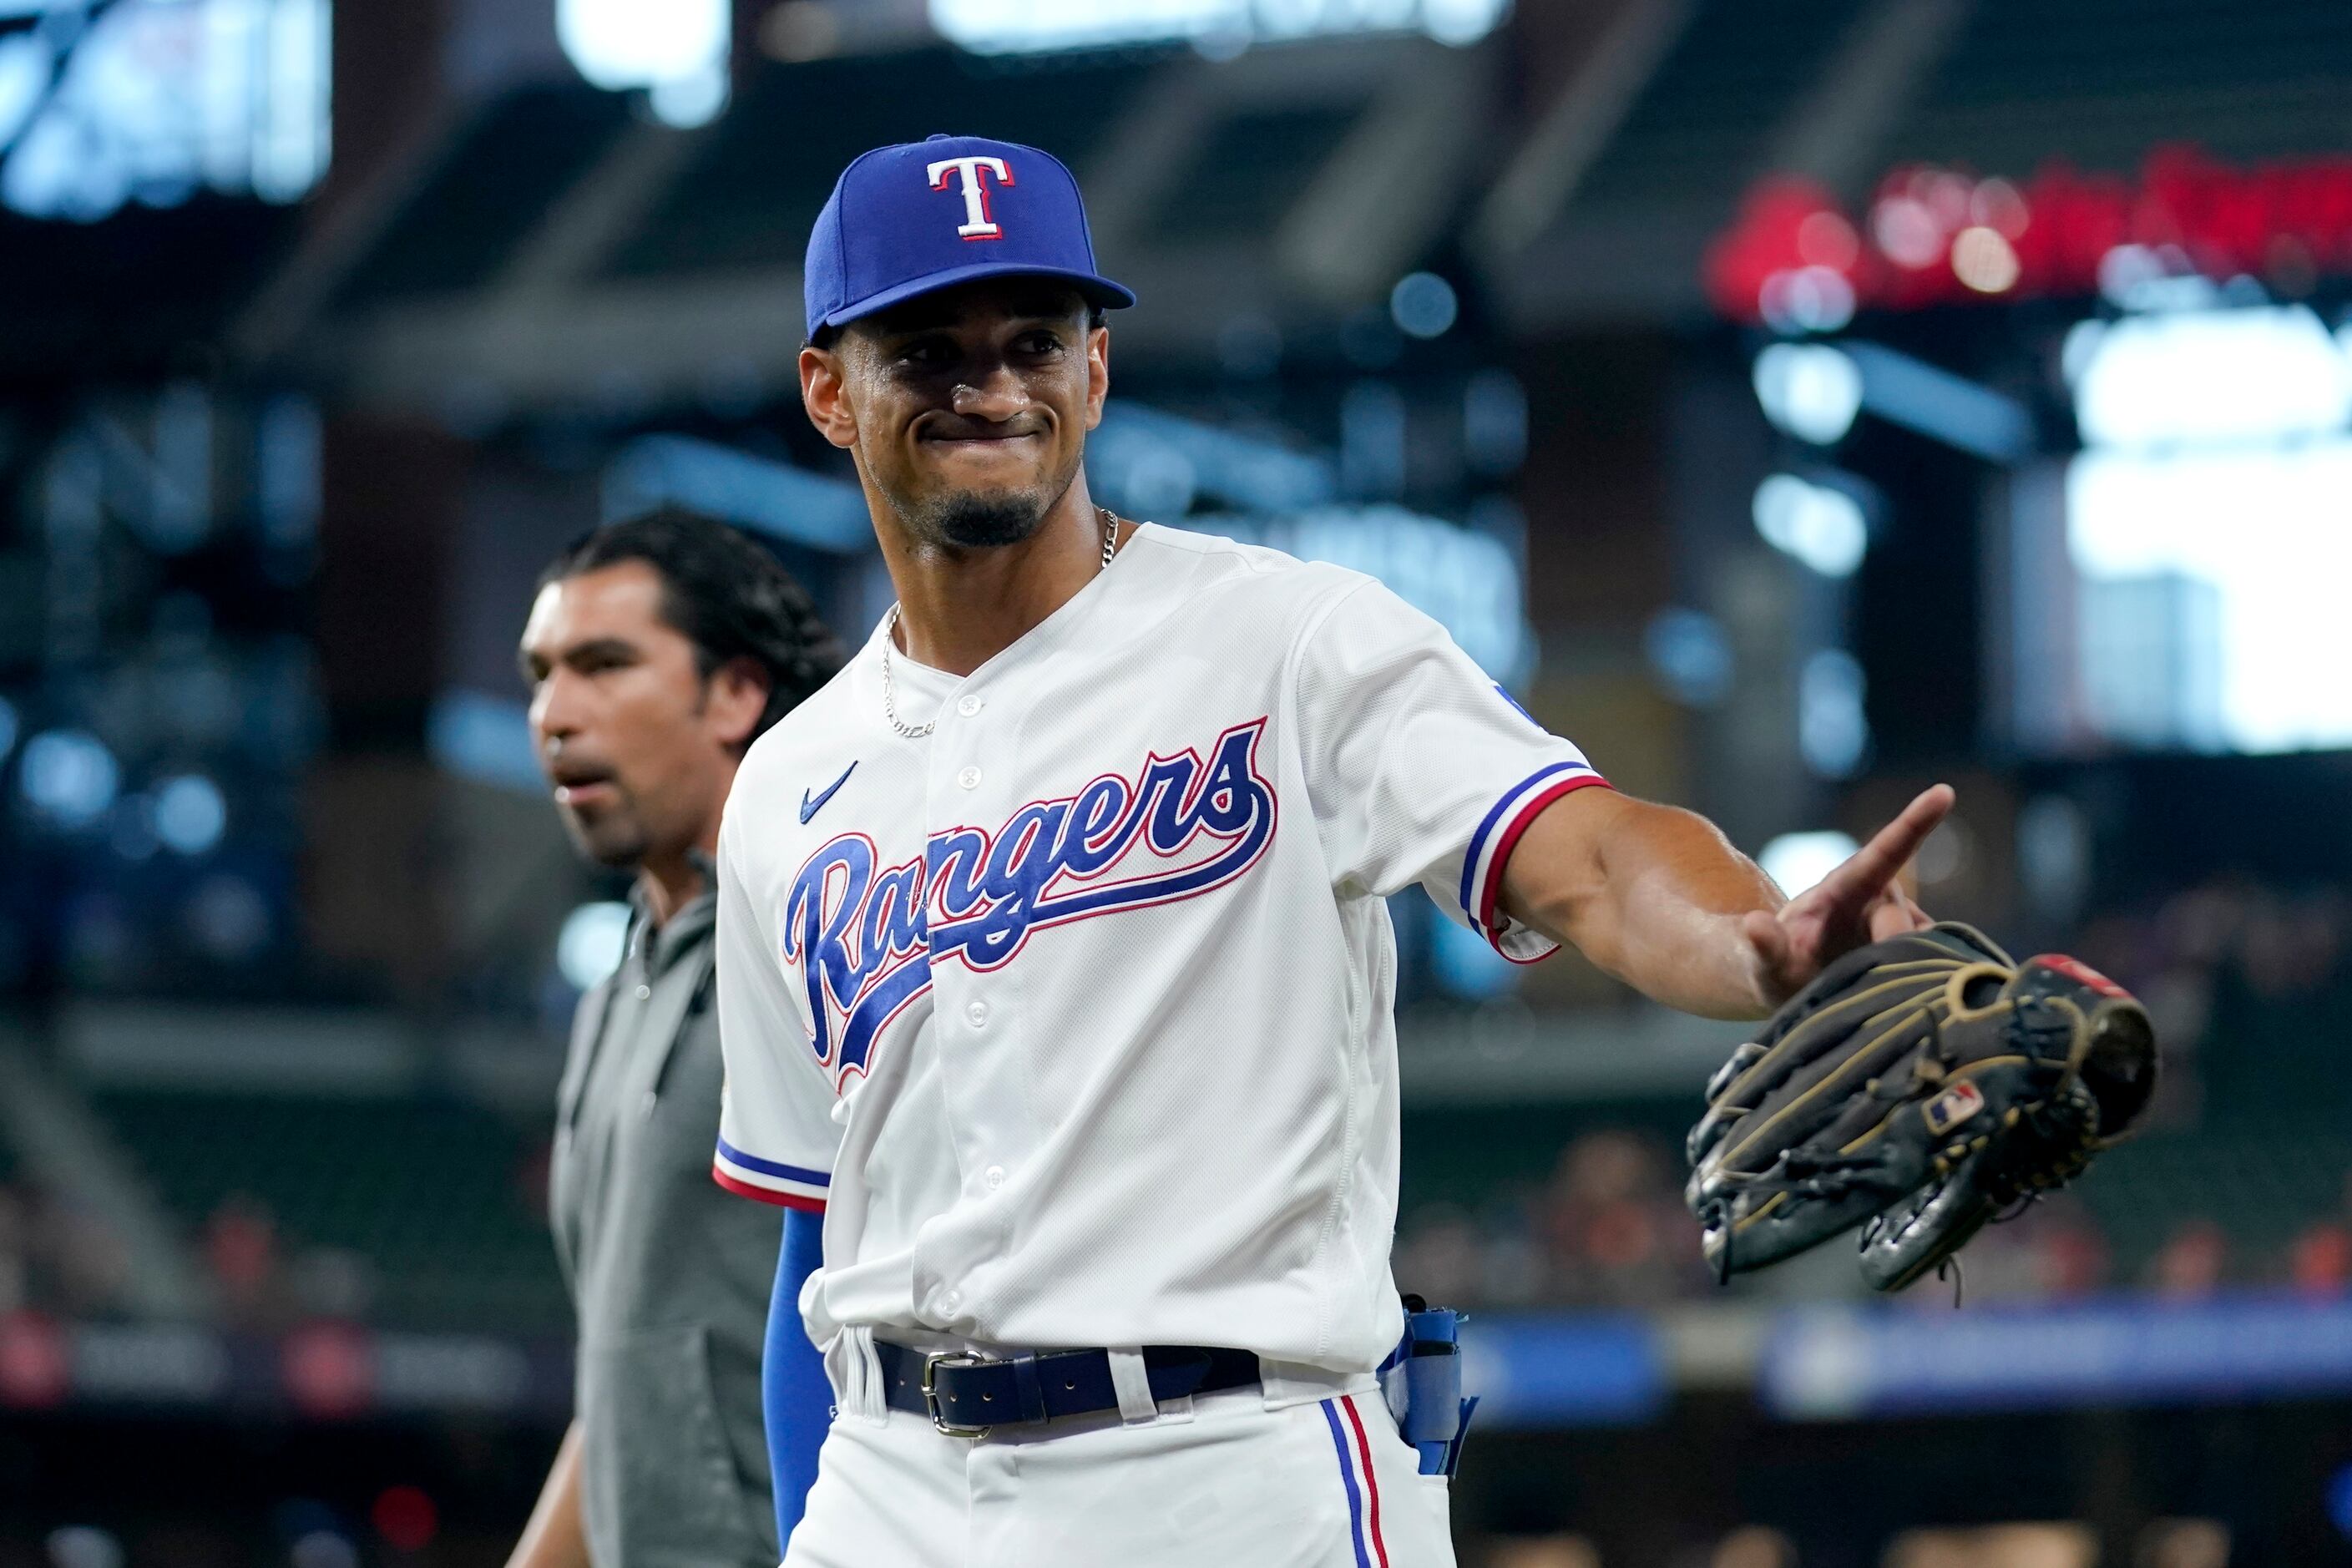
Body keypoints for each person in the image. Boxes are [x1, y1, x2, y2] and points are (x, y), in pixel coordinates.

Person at [713, 134, 1950, 1566]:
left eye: (1035, 339)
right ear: (828, 389)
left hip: (1232, 1466)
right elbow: (814, 1247)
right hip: (893, 1489)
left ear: (1095, 371)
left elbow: (1588, 850)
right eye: (928, 350)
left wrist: (1759, 938)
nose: (991, 384)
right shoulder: (789, 787)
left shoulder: (1289, 637)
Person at [507, 508, 844, 1568]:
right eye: (540, 673)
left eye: (604, 665)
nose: (555, 713)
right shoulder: (620, 984)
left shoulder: (828, 933)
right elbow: (621, 1386)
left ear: (736, 693)